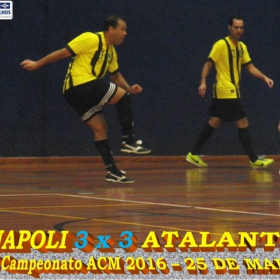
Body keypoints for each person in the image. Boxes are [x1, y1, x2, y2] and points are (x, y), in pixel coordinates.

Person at [21, 15, 151, 183]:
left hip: (74, 94)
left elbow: (116, 75)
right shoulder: (90, 38)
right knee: (121, 97)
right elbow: (61, 53)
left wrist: (129, 88)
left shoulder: (111, 52)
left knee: (100, 128)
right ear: (111, 29)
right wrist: (37, 64)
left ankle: (112, 171)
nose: (125, 33)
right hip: (80, 84)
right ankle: (129, 141)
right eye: (122, 29)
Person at [186, 15, 274, 168]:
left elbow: (250, 67)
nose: (239, 30)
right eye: (236, 27)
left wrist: (264, 77)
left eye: (241, 27)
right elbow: (208, 64)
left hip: (229, 92)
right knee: (242, 121)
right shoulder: (221, 45)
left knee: (215, 121)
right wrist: (202, 82)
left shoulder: (241, 47)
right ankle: (254, 159)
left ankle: (193, 154)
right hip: (226, 91)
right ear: (229, 28)